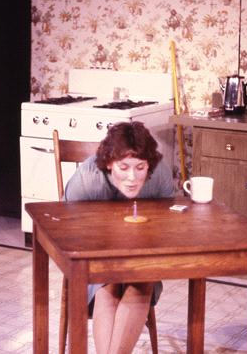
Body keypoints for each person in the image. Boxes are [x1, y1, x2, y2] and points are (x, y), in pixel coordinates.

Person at [64, 121, 175, 354]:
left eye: (140, 167)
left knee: (141, 284)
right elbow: (70, 231)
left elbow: (168, 225)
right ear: (109, 164)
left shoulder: (161, 173)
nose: (132, 178)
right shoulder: (86, 181)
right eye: (123, 168)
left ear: (149, 165)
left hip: (143, 253)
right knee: (109, 285)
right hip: (96, 253)